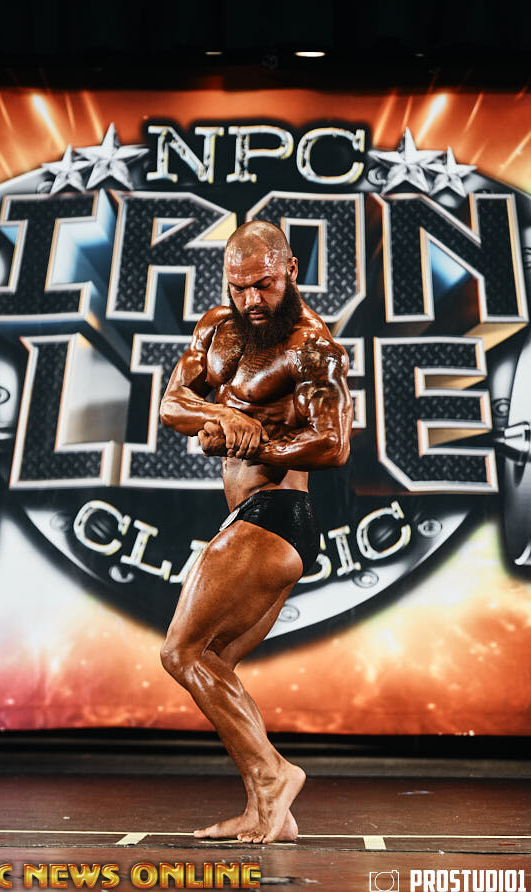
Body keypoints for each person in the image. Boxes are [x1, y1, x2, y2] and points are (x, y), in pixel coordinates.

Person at [159, 220, 352, 843]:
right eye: (239, 286)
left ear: (290, 270)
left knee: (181, 653)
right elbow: (172, 404)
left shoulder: (313, 347)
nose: (250, 299)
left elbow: (333, 443)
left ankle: (274, 774)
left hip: (278, 515)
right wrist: (221, 414)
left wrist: (254, 440)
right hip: (252, 519)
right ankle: (267, 808)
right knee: (212, 662)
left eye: (263, 284)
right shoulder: (218, 326)